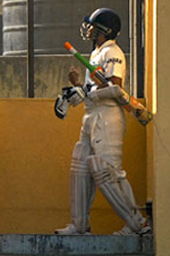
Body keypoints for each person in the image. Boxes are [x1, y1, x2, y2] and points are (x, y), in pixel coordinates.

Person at [55, 8, 150, 235]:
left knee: (106, 170)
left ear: (104, 30)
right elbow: (95, 87)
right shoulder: (96, 54)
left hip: (107, 116)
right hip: (92, 115)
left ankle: (138, 224)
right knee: (80, 165)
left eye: (93, 27)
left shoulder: (112, 52)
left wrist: (88, 93)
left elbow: (114, 87)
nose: (89, 30)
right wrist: (79, 86)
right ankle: (79, 225)